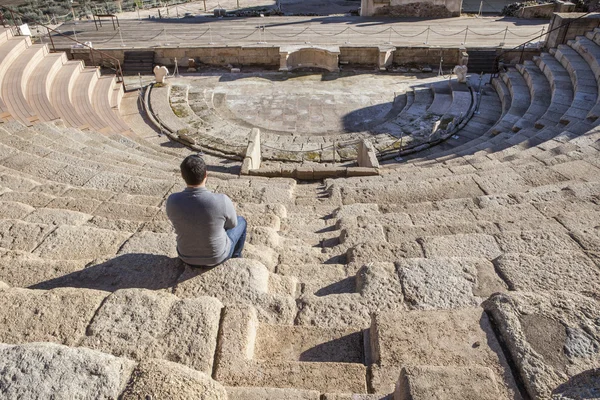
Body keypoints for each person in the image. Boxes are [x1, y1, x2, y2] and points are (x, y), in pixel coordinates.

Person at [166, 154, 246, 267]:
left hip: (185, 256)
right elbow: (233, 225)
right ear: (206, 175)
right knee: (241, 221)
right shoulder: (222, 200)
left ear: (183, 176)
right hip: (217, 257)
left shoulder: (172, 200)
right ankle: (236, 256)